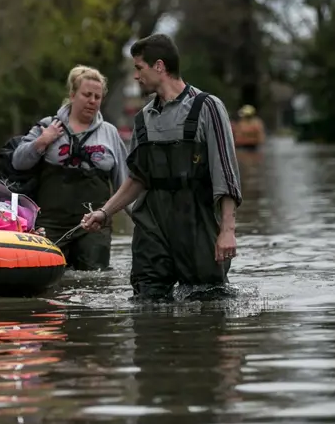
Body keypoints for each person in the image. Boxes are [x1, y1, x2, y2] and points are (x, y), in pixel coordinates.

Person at [80, 33, 243, 300]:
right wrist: (104, 212)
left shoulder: (208, 107)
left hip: (197, 225)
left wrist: (227, 231)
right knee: (147, 302)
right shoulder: (144, 118)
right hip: (152, 226)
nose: (136, 76)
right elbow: (137, 178)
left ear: (159, 66)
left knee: (207, 304)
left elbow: (226, 174)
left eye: (138, 67)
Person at [12, 65, 129, 270]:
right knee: (49, 277)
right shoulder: (47, 126)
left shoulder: (110, 133)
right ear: (73, 95)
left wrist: (145, 221)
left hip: (94, 225)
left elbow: (125, 184)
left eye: (97, 96)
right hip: (50, 224)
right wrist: (41, 142)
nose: (92, 101)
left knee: (94, 281)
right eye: (87, 94)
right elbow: (18, 162)